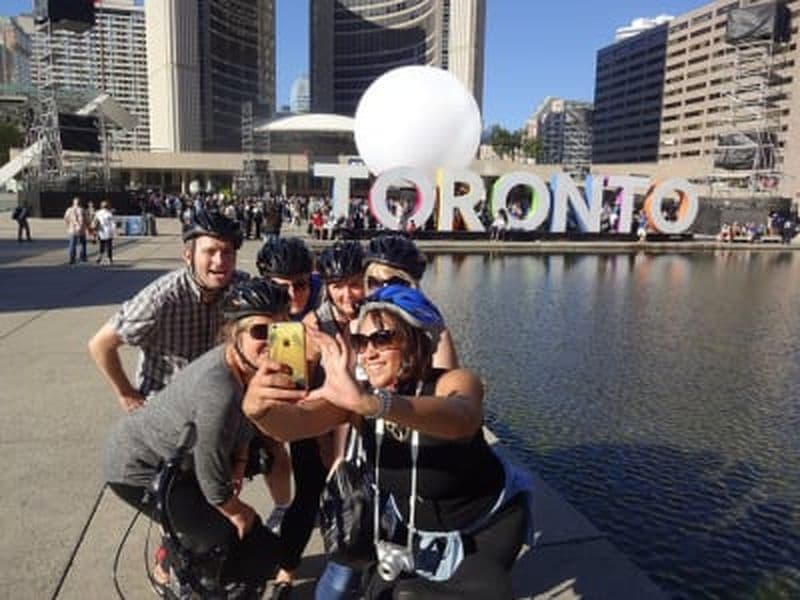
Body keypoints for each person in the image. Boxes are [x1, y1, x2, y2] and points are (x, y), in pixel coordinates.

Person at [243, 285, 533, 599]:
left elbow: (463, 416)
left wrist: (374, 404)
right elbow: (293, 426)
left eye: (382, 338)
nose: (368, 351)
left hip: (484, 526)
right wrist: (258, 410)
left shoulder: (450, 381)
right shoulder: (358, 398)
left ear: (413, 339)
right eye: (360, 341)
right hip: (413, 533)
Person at [104, 279, 291, 595]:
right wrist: (237, 511)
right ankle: (181, 571)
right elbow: (209, 467)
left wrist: (242, 459)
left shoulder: (250, 368)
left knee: (259, 547)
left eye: (281, 332)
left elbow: (246, 422)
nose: (272, 342)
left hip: (182, 459)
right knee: (223, 539)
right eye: (260, 332)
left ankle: (182, 544)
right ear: (234, 333)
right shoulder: (218, 388)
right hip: (138, 468)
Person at [88, 208, 244, 409]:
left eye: (227, 252)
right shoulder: (161, 299)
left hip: (214, 404)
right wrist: (126, 393)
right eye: (210, 251)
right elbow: (100, 345)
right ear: (188, 256)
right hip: (167, 407)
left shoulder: (240, 288)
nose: (220, 261)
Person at [256, 236, 327, 599]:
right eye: (281, 287)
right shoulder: (254, 302)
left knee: (311, 486)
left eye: (301, 284)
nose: (294, 294)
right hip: (266, 392)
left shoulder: (324, 298)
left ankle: (287, 568)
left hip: (315, 401)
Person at [363, 234, 458, 369]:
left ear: (410, 284)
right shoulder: (356, 327)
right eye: (374, 283)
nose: (384, 291)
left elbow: (450, 383)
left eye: (394, 283)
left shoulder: (433, 330)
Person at [64, 196, 88, 264]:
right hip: (81, 230)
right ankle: (83, 258)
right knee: (82, 244)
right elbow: (86, 220)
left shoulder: (69, 210)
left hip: (72, 230)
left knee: (72, 244)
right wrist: (88, 227)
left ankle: (72, 259)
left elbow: (66, 219)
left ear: (73, 203)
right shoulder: (82, 210)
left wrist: (68, 226)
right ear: (80, 203)